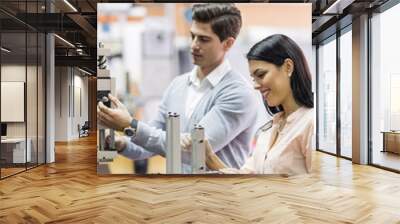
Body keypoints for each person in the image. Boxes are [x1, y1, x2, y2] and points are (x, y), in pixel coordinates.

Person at [97, 3, 265, 171]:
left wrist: (130, 125)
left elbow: (194, 151)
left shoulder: (238, 94)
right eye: (193, 36)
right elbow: (151, 142)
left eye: (204, 39)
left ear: (228, 43)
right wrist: (120, 143)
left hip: (217, 195)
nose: (194, 45)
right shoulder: (178, 85)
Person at [212, 34, 314, 175]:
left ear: (288, 67)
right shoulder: (270, 128)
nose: (255, 85)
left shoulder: (310, 123)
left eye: (261, 75)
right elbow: (247, 177)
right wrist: (208, 155)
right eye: (253, 78)